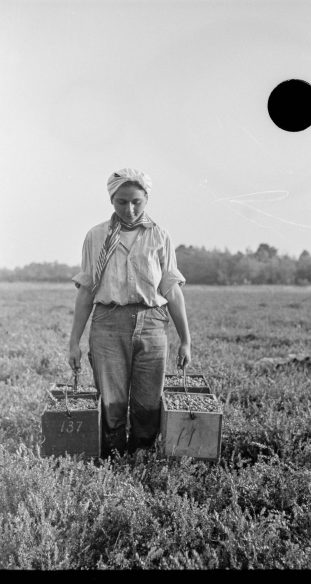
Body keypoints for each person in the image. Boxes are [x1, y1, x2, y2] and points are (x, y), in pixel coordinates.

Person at [68, 168, 191, 457]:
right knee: (112, 401)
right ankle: (113, 457)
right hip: (108, 323)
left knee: (148, 401)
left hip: (152, 323)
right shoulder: (96, 236)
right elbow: (86, 291)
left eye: (136, 201)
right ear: (111, 200)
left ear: (147, 198)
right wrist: (74, 341)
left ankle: (141, 457)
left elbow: (172, 289)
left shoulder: (159, 235)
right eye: (122, 202)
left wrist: (186, 340)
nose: (130, 209)